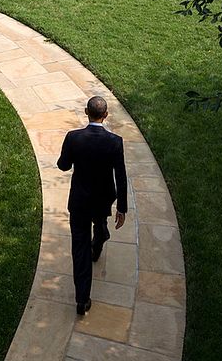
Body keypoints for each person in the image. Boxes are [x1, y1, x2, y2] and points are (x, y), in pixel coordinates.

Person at [57, 94, 128, 315]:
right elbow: (121, 176)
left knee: (80, 248)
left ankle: (82, 299)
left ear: (86, 112)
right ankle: (101, 237)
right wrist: (122, 208)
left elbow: (63, 166)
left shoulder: (73, 138)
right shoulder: (115, 142)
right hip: (103, 198)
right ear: (105, 116)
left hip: (79, 201)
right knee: (99, 221)